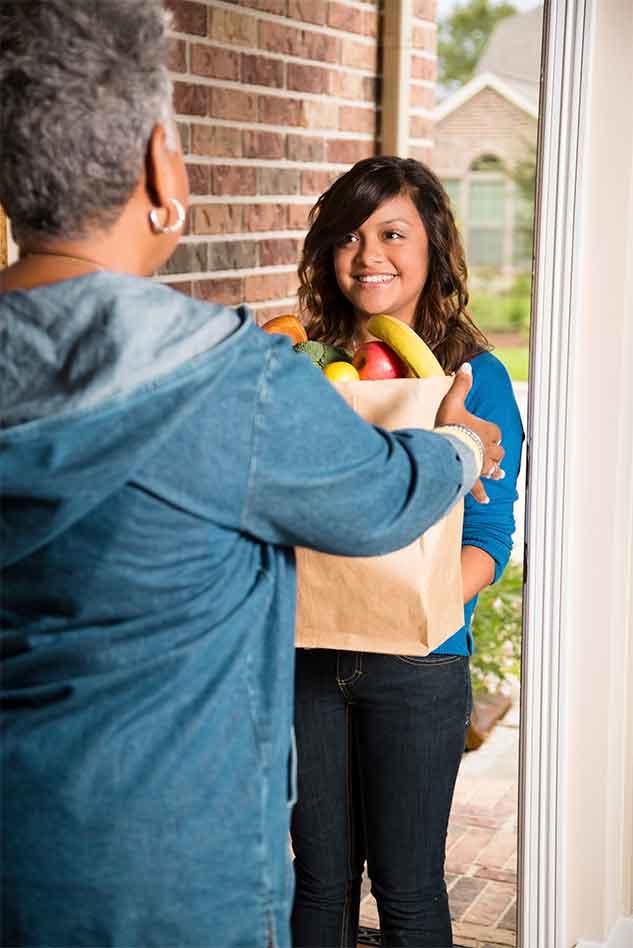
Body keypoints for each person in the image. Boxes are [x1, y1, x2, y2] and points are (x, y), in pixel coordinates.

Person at [0, 5, 504, 947]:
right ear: (162, 169)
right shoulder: (236, 382)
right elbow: (383, 499)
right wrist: (458, 445)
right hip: (174, 881)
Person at [290, 156, 524, 948]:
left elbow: (489, 537)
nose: (369, 255)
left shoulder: (470, 378)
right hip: (307, 657)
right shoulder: (304, 369)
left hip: (419, 664)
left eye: (393, 233)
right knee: (318, 884)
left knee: (408, 888)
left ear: (433, 248)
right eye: (349, 236)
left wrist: (415, 607)